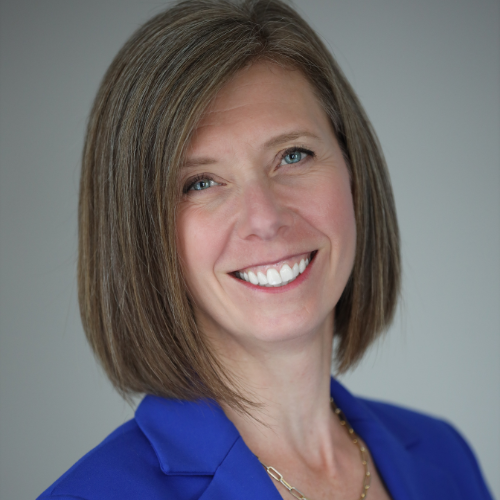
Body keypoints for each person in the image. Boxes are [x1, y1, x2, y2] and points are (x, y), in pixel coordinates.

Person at [38, 0, 493, 499]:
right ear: (141, 235)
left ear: (353, 169)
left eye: (292, 155)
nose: (266, 218)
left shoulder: (444, 457)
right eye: (201, 183)